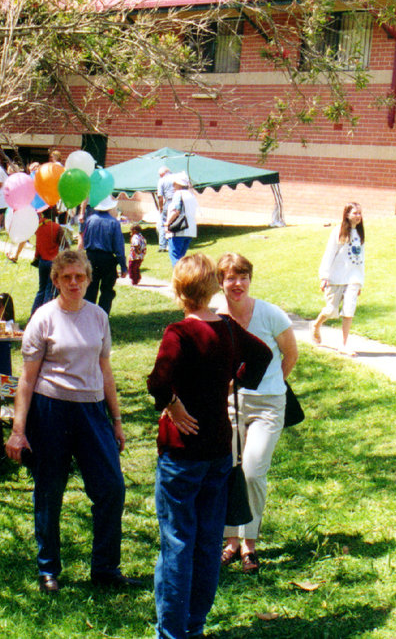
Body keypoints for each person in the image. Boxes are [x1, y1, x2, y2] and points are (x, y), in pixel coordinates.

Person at [147, 253, 272, 639]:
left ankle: (172, 632)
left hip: (182, 452)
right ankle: (194, 625)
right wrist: (233, 382)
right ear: (213, 287)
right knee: (204, 543)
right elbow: (263, 355)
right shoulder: (230, 330)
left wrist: (173, 405)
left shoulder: (179, 333)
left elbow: (157, 382)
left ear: (179, 290)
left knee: (178, 544)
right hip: (218, 448)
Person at [5, 250, 136, 593]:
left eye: (80, 277)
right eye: (67, 277)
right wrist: (19, 431)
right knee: (50, 490)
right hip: (51, 412)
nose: (74, 283)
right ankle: (48, 568)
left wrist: (117, 420)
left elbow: (105, 369)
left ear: (89, 279)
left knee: (111, 488)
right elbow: (26, 379)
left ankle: (105, 568)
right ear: (56, 281)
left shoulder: (98, 317)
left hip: (92, 412)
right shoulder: (44, 318)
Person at [217, 252, 298, 574]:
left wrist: (271, 384)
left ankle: (249, 543)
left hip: (268, 404)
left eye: (243, 277)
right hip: (232, 404)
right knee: (229, 469)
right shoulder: (218, 316)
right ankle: (230, 541)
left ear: (250, 279)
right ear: (220, 282)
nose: (237, 284)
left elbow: (290, 354)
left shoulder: (270, 314)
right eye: (230, 278)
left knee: (252, 470)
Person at [311, 201, 365, 352]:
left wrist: (359, 282)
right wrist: (324, 276)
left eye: (360, 213)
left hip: (353, 278)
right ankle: (316, 325)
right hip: (336, 277)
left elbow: (361, 259)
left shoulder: (360, 234)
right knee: (331, 311)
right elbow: (329, 254)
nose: (358, 216)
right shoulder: (338, 231)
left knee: (349, 310)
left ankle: (344, 344)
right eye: (355, 213)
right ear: (347, 215)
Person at [81, 195, 127, 315]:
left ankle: (88, 316)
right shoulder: (113, 223)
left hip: (91, 257)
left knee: (90, 289)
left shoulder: (90, 220)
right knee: (107, 291)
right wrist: (123, 266)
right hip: (107, 259)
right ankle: (103, 316)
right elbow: (119, 247)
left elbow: (84, 239)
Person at [28, 207, 63, 314]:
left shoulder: (38, 226)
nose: (57, 211)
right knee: (50, 292)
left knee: (41, 290)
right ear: (51, 212)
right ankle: (45, 315)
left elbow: (39, 243)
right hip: (53, 263)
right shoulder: (57, 227)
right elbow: (65, 245)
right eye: (55, 209)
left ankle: (34, 314)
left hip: (42, 262)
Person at [164, 173, 197, 266]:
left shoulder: (178, 194)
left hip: (179, 229)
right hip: (190, 230)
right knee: (182, 257)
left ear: (178, 184)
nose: (173, 185)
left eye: (174, 183)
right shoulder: (191, 195)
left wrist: (167, 223)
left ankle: (178, 278)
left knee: (175, 256)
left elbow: (176, 210)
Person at [0, 292, 15, 376]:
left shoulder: (10, 323)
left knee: (3, 373)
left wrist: (0, 322)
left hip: (2, 351)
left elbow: (11, 330)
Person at [156, 165, 175, 253]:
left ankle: (162, 245)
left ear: (163, 174)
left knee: (164, 223)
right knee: (175, 222)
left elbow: (160, 196)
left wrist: (161, 207)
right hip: (177, 201)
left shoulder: (161, 181)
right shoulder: (176, 178)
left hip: (168, 202)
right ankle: (172, 244)